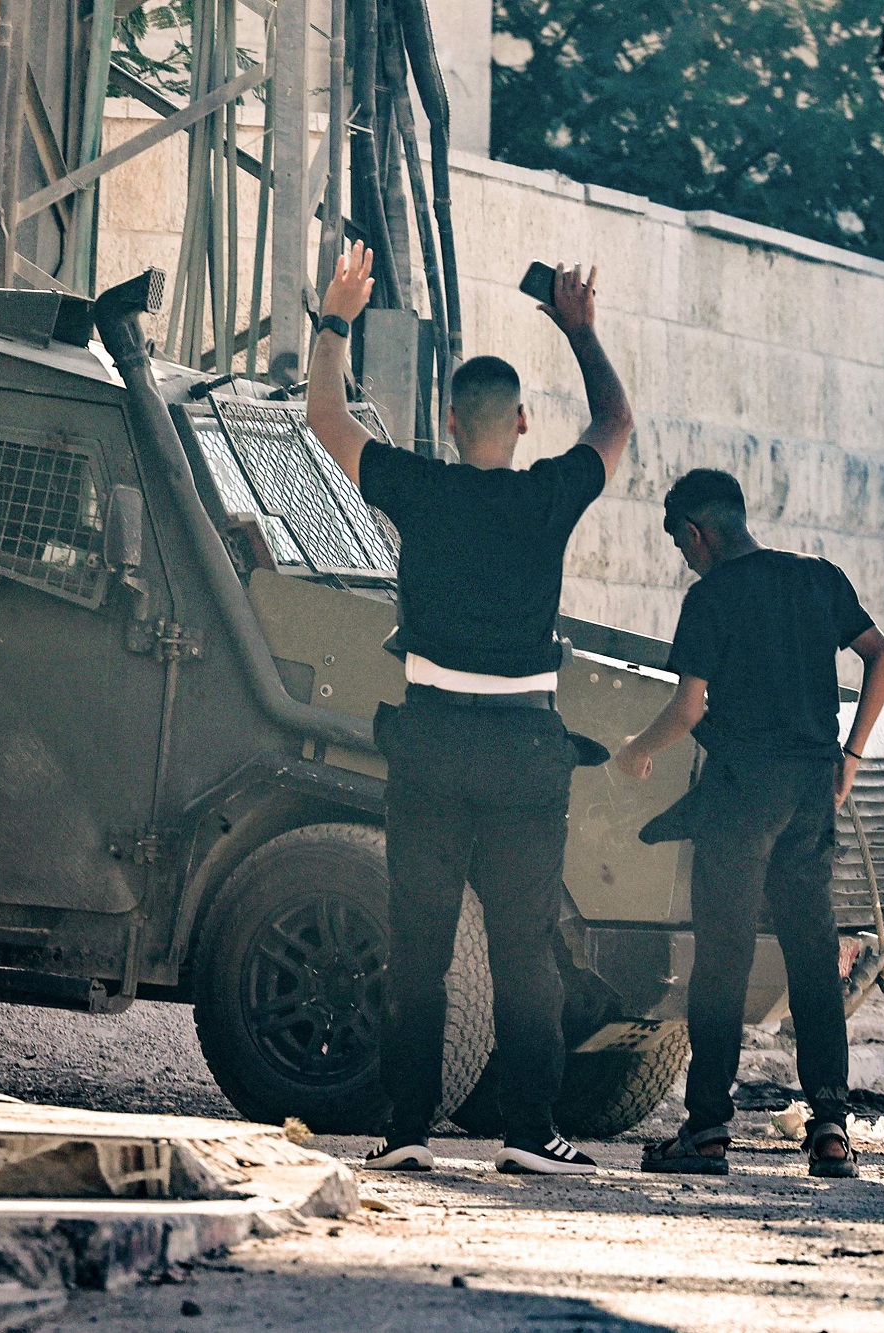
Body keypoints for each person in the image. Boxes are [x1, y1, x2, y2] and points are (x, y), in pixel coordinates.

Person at [307, 242, 633, 1175]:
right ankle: (531, 1133)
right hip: (527, 748)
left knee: (420, 943)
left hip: (431, 739)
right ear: (523, 423)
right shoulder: (550, 494)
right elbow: (615, 419)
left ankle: (407, 1129)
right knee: (524, 947)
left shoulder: (420, 487)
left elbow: (325, 415)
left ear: (449, 423)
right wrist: (581, 331)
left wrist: (336, 316)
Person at [614, 468, 884, 1180]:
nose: (685, 558)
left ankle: (707, 1130)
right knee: (812, 957)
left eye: (682, 546)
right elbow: (882, 658)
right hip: (811, 792)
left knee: (724, 958)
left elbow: (688, 709)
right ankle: (831, 1131)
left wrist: (635, 754)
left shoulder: (709, 596)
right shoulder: (818, 579)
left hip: (741, 795)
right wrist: (851, 758)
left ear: (696, 534)